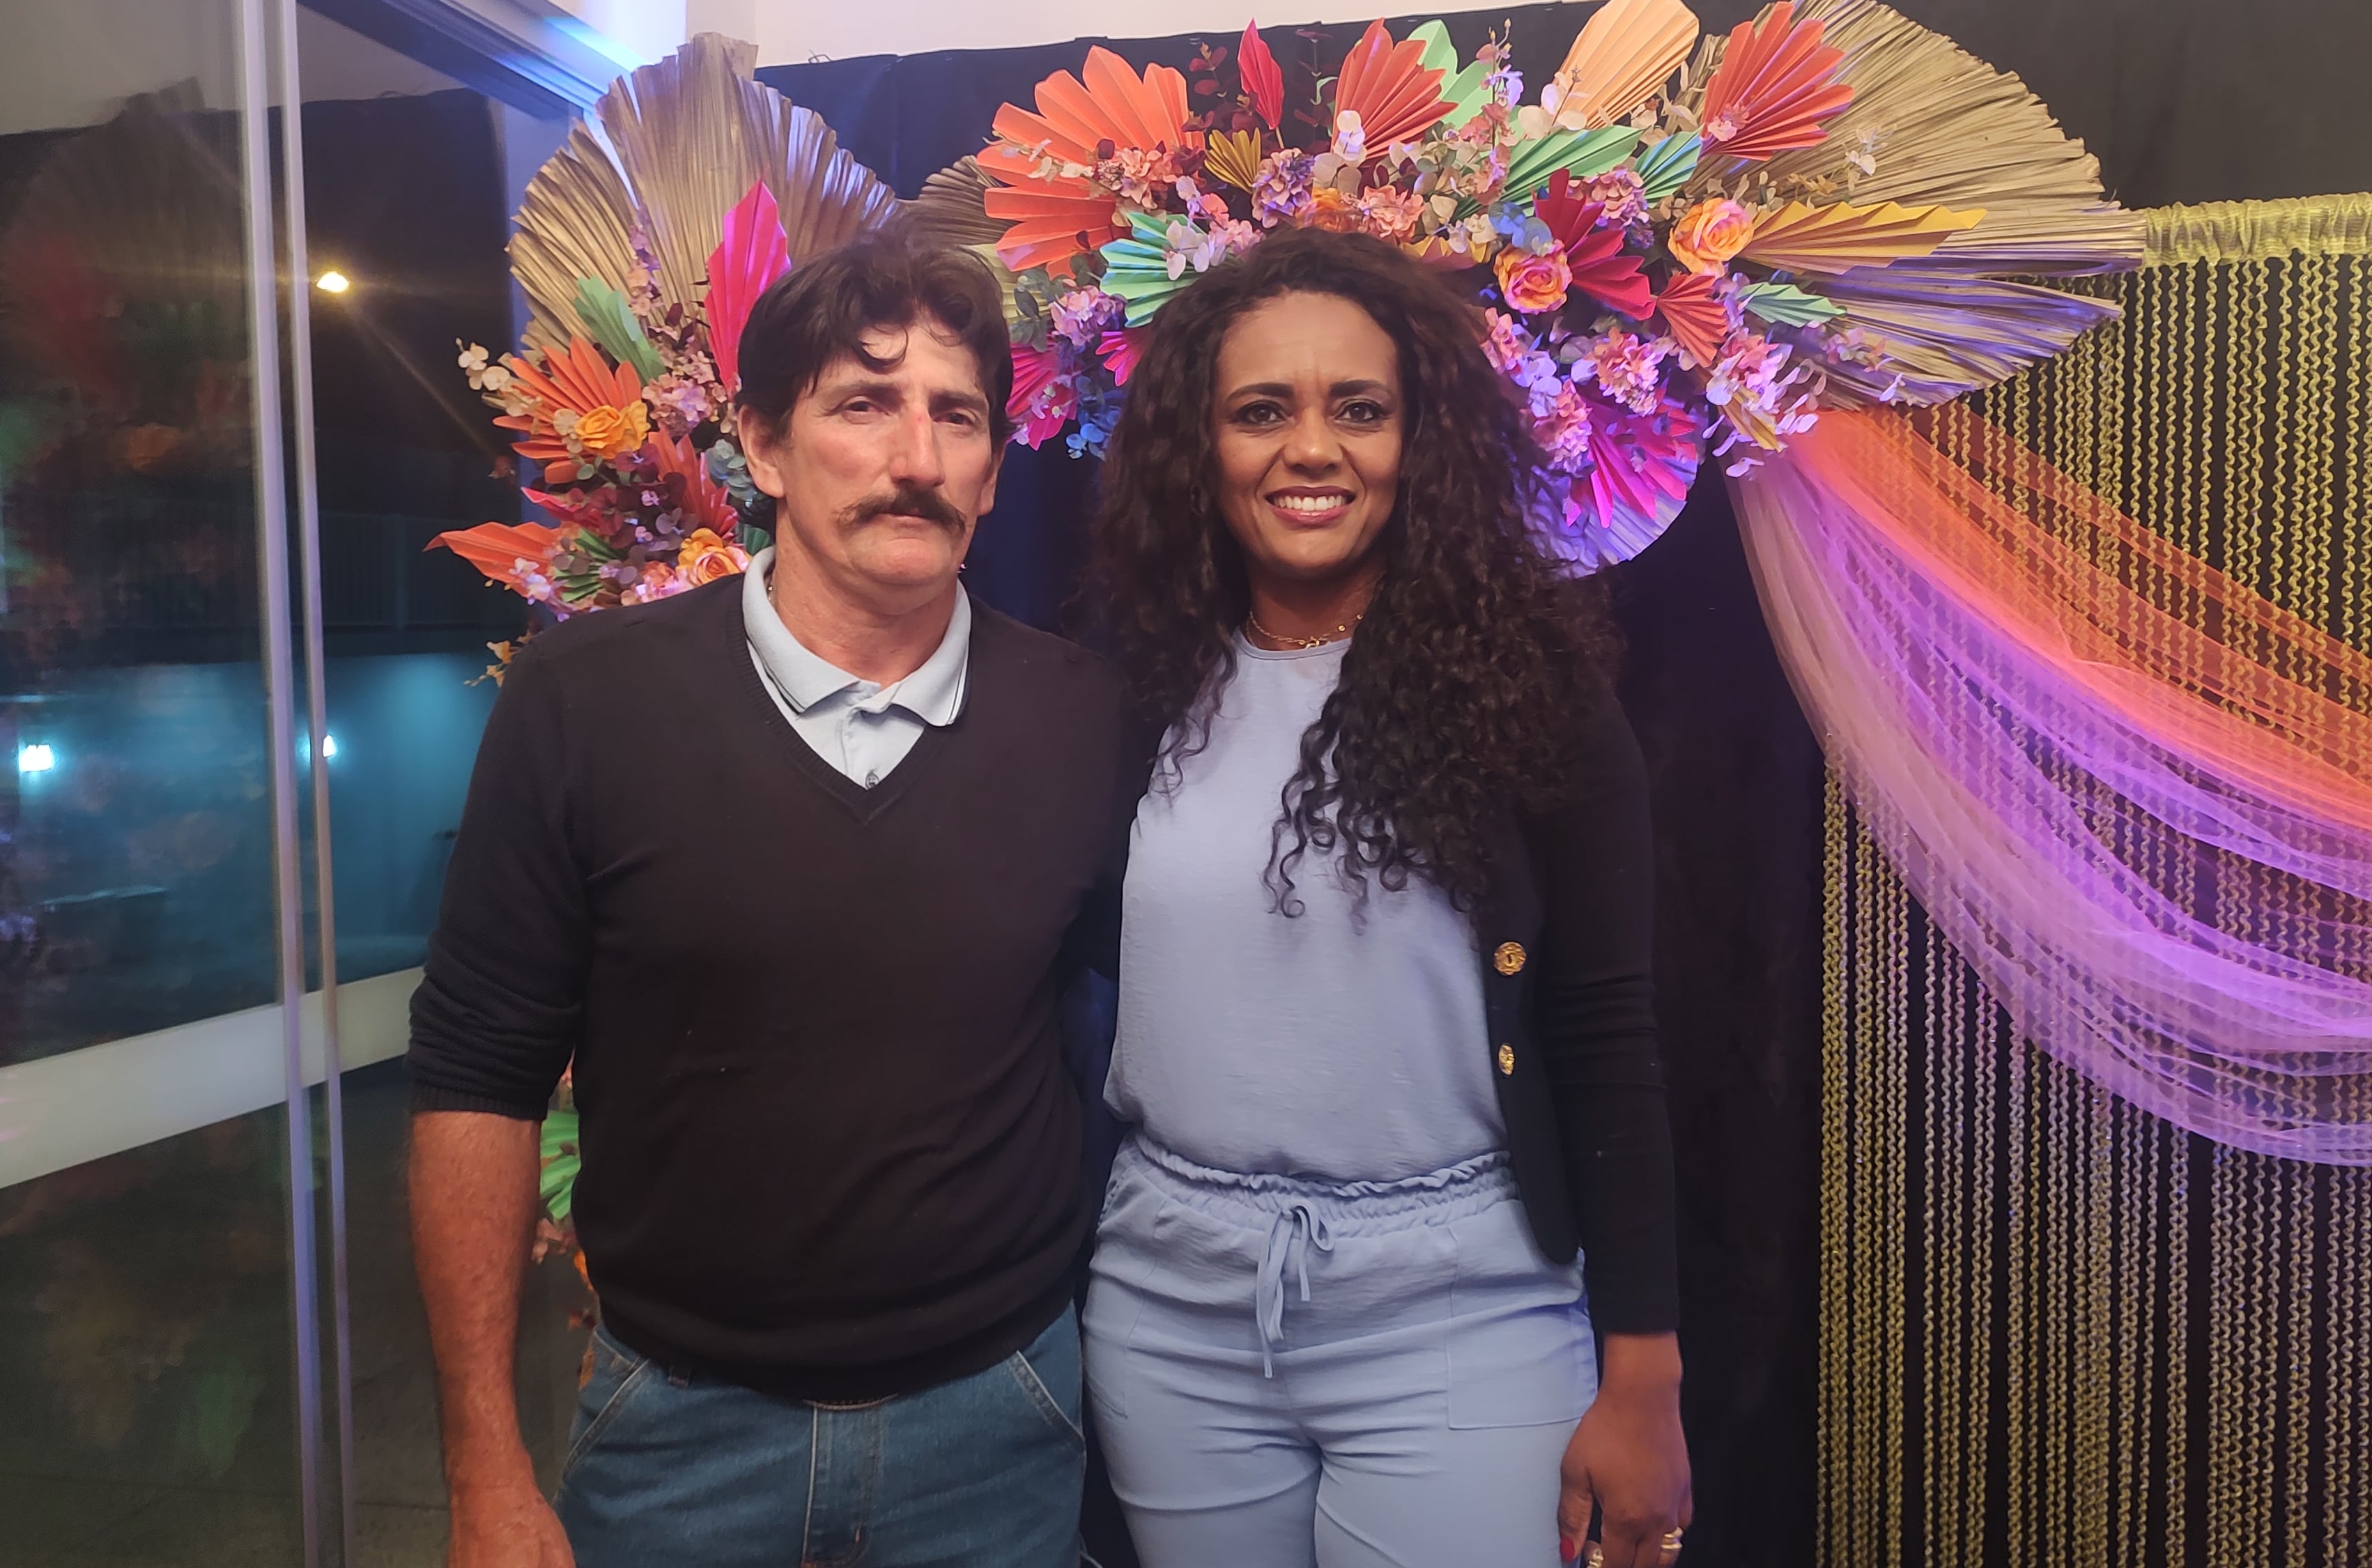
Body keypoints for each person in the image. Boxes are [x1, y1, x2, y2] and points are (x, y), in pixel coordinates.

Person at [403, 231, 1133, 1568]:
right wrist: (484, 1465)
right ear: (765, 445)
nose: (916, 457)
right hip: (679, 1438)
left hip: (996, 1428)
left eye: (956, 415)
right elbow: (476, 1078)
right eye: (864, 404)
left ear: (992, 467)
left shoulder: (1085, 718)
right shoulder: (587, 703)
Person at [1081, 226, 1693, 1568]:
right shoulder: (1129, 685)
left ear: (1421, 441)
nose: (1312, 448)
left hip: (1459, 1303)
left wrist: (1645, 1373)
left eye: (1359, 409)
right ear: (1201, 446)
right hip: (1171, 1302)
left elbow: (1605, 1032)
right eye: (1262, 411)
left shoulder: (1530, 695)